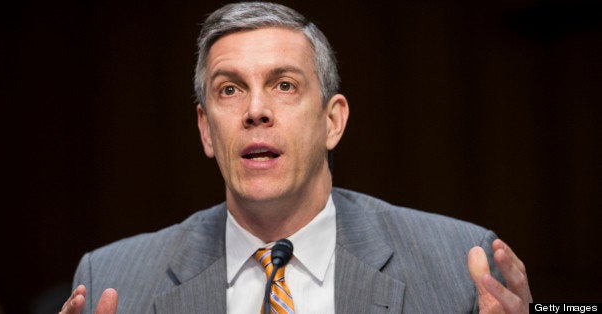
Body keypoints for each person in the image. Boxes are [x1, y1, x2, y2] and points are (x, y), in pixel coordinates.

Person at [60, 2, 532, 313]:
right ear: (206, 129)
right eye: (230, 89)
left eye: (284, 85)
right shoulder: (113, 280)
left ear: (333, 121)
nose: (256, 111)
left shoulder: (457, 266)